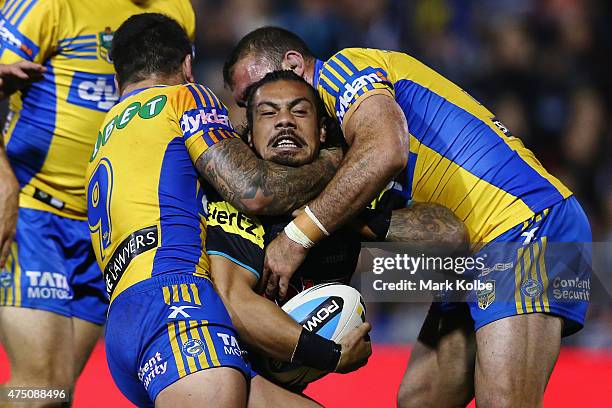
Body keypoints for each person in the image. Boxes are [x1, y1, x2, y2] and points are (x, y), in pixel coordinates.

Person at [223, 27, 592, 407]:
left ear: (294, 65)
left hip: (523, 224)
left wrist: (298, 237)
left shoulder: (344, 68)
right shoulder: (336, 142)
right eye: (246, 103)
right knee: (419, 400)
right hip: (469, 257)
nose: (255, 106)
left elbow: (387, 149)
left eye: (254, 90)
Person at [89, 13, 359, 407]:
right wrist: (337, 160)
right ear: (186, 64)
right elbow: (254, 191)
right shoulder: (186, 96)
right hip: (177, 303)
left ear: (117, 82)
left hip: (124, 324)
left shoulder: (101, 136)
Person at [206, 69, 469, 406]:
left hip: (285, 375)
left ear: (322, 131)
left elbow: (450, 237)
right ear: (250, 138)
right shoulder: (237, 201)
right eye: (269, 113)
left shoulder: (350, 192)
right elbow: (236, 305)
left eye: (299, 111)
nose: (284, 121)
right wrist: (332, 355)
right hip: (225, 367)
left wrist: (335, 218)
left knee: (476, 276)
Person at [0, 0, 195, 399]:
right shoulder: (48, 5)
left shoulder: (178, 10)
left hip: (105, 233)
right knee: (41, 387)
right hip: (34, 211)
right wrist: (3, 180)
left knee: (54, 395)